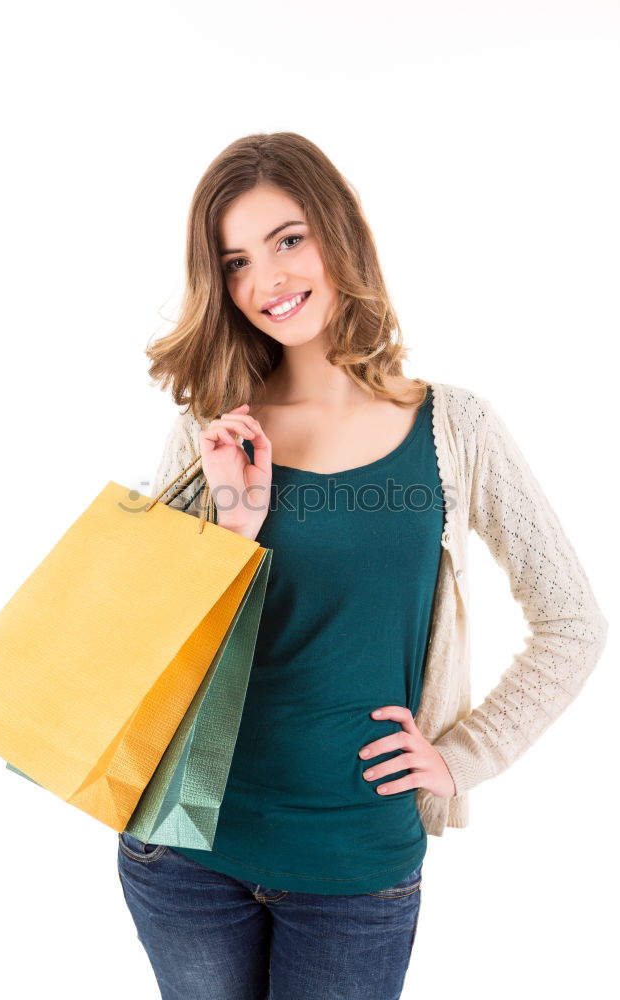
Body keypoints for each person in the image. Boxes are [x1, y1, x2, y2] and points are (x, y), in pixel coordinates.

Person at [116, 132, 608, 1000]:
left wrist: (467, 754)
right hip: (183, 850)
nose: (266, 280)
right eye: (235, 261)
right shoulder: (211, 430)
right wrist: (232, 525)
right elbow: (154, 648)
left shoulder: (456, 429)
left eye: (289, 239)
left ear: (340, 235)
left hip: (356, 862)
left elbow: (573, 621)